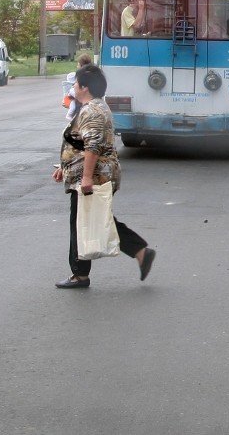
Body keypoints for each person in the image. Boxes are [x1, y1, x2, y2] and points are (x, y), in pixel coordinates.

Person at [51, 64, 155, 289]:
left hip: (94, 177)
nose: (73, 88)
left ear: (85, 87)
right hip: (90, 174)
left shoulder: (93, 111)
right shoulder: (92, 107)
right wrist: (64, 165)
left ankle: (80, 274)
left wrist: (86, 177)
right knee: (99, 219)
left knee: (82, 222)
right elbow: (80, 143)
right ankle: (141, 252)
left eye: (76, 84)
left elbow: (93, 146)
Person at [62, 53, 94, 122]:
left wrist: (69, 100)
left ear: (81, 64)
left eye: (78, 64)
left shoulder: (83, 75)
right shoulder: (91, 73)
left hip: (83, 113)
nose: (77, 66)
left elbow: (80, 95)